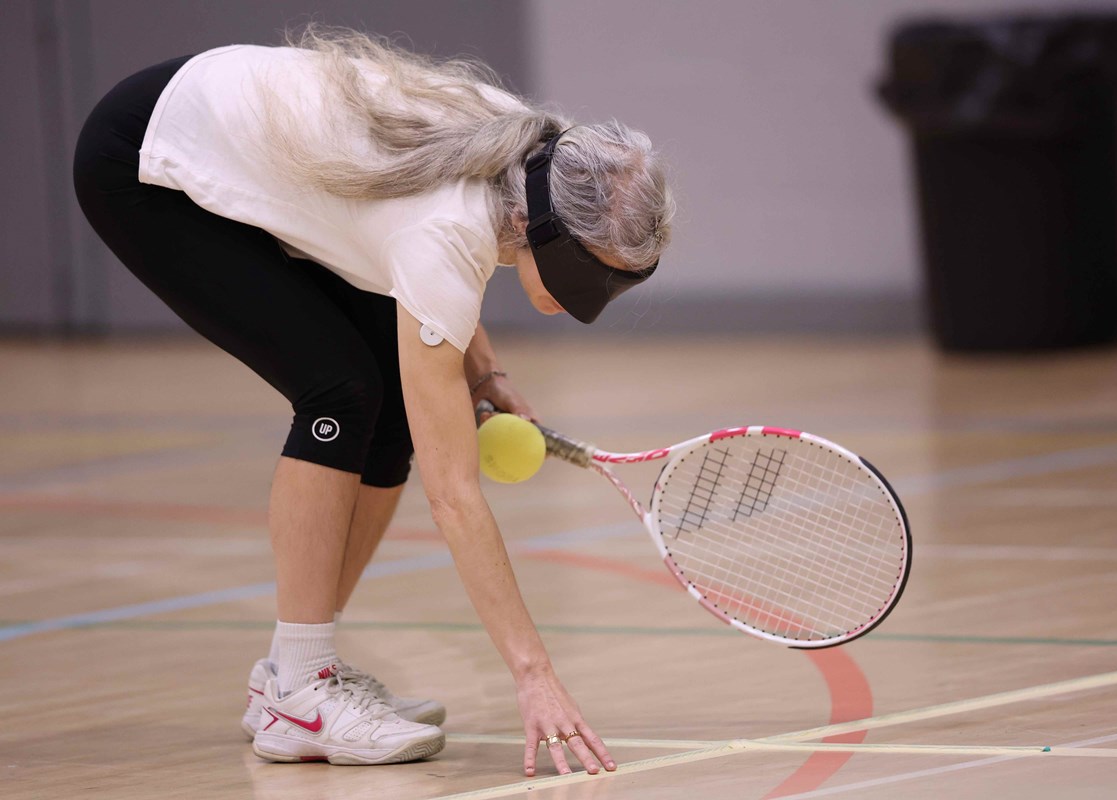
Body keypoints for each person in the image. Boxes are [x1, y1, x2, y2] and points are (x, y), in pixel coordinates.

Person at [73, 26, 673, 775]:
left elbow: (433, 276)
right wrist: (534, 674)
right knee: (341, 393)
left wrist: (483, 377)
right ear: (547, 230)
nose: (599, 300)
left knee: (391, 412)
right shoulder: (449, 227)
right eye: (596, 279)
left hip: (233, 127)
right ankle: (301, 692)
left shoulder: (528, 159)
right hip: (146, 161)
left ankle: (294, 675)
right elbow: (455, 496)